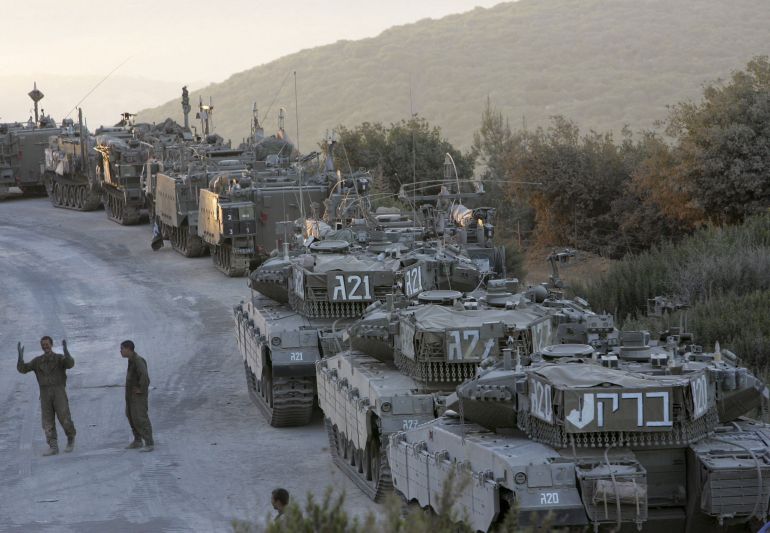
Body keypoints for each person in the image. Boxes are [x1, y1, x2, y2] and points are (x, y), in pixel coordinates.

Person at [16, 336, 77, 456]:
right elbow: (23, 369)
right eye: (43, 345)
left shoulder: (59, 358)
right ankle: (53, 446)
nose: (45, 347)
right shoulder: (37, 361)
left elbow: (70, 364)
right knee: (47, 421)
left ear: (51, 344)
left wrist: (66, 352)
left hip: (58, 391)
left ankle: (70, 439)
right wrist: (20, 358)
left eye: (47, 344)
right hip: (45, 393)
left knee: (64, 417)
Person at [121, 340, 154, 452]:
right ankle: (137, 440)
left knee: (140, 417)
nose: (120, 351)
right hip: (131, 395)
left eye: (122, 349)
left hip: (138, 396)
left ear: (128, 349)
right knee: (131, 416)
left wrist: (141, 389)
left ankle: (149, 443)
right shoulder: (131, 360)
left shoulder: (138, 360)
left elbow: (144, 375)